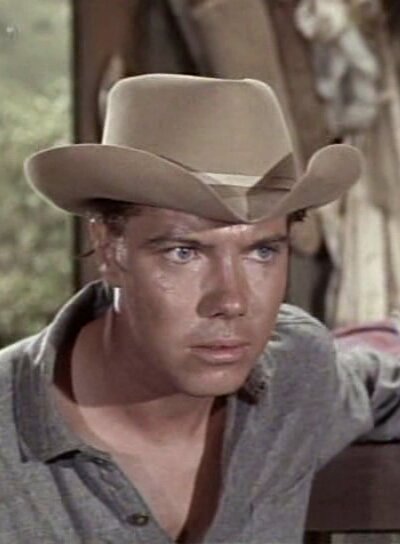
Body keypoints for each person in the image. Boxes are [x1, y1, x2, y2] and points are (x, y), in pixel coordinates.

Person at [1, 74, 400, 544]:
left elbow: (381, 381)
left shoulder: (296, 370)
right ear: (109, 250)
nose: (231, 301)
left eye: (262, 251)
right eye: (184, 252)